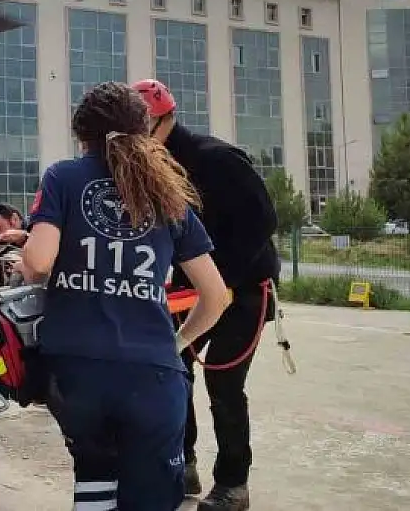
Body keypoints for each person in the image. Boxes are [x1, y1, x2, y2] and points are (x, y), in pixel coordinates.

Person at [16, 81, 232, 511]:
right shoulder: (167, 194)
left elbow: (39, 262)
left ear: (82, 134)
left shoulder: (64, 177)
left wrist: (24, 254)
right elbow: (216, 295)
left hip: (78, 373)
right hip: (151, 374)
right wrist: (175, 345)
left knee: (96, 480)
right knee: (149, 497)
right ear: (145, 130)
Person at [131, 78, 280, 511]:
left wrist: (220, 282)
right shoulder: (152, 168)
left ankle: (233, 483)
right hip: (187, 292)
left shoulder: (218, 160)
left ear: (162, 120)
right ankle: (183, 462)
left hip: (243, 289)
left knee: (223, 381)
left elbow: (262, 222)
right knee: (173, 371)